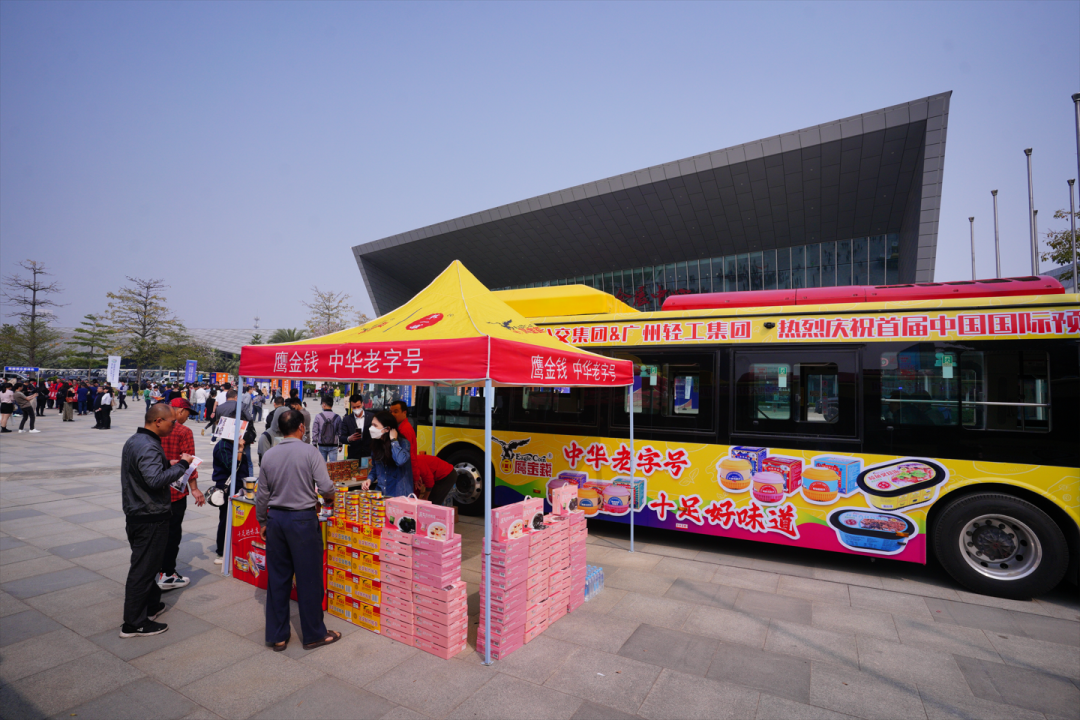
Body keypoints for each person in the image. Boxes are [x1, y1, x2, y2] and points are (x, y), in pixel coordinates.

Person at [255, 409, 340, 651]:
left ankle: (278, 636)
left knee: (278, 579)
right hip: (302, 520)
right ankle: (313, 634)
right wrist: (330, 497)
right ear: (301, 428)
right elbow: (326, 486)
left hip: (276, 520)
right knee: (309, 578)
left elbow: (262, 495)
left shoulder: (269, 455)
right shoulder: (310, 452)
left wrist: (263, 521)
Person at [119, 404, 193, 637]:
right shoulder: (149, 445)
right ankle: (134, 623)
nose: (174, 425)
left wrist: (166, 464)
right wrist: (182, 465)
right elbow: (154, 481)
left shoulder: (136, 440)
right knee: (143, 569)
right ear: (158, 421)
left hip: (138, 512)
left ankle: (151, 605)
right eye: (172, 422)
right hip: (149, 516)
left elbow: (144, 472)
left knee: (149, 565)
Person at [157, 398, 205, 590]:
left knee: (156, 533)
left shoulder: (155, 427)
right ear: (180, 411)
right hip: (174, 492)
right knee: (172, 533)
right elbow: (189, 462)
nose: (187, 417)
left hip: (154, 490)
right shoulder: (184, 431)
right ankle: (168, 574)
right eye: (187, 413)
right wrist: (194, 488)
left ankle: (155, 569)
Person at [212, 421, 256, 563]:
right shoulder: (223, 447)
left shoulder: (231, 444)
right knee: (226, 519)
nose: (241, 434)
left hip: (238, 485)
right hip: (227, 487)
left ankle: (233, 547)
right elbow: (233, 466)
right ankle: (221, 552)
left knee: (236, 518)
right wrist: (240, 449)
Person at [360, 411, 413, 498]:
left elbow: (400, 461)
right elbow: (376, 467)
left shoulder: (403, 443)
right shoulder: (376, 444)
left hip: (399, 495)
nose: (371, 428)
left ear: (387, 429)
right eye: (371, 425)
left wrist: (394, 441)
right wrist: (369, 479)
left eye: (375, 425)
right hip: (381, 493)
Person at [389, 400, 419, 488]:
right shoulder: (400, 427)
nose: (392, 414)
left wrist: (416, 476)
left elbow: (410, 454)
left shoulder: (404, 430)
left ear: (404, 412)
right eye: (391, 412)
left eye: (396, 412)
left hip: (404, 473)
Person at [339, 393, 372, 464]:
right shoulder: (347, 419)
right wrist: (349, 438)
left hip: (368, 454)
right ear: (351, 406)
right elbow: (341, 437)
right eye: (354, 407)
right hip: (354, 455)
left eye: (358, 406)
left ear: (362, 404)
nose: (356, 409)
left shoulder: (371, 417)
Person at [310, 395, 342, 462]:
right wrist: (340, 444)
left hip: (322, 445)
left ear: (324, 404)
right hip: (333, 445)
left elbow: (315, 431)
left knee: (322, 465)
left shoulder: (318, 416)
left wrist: (314, 443)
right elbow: (340, 432)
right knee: (333, 466)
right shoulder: (337, 417)